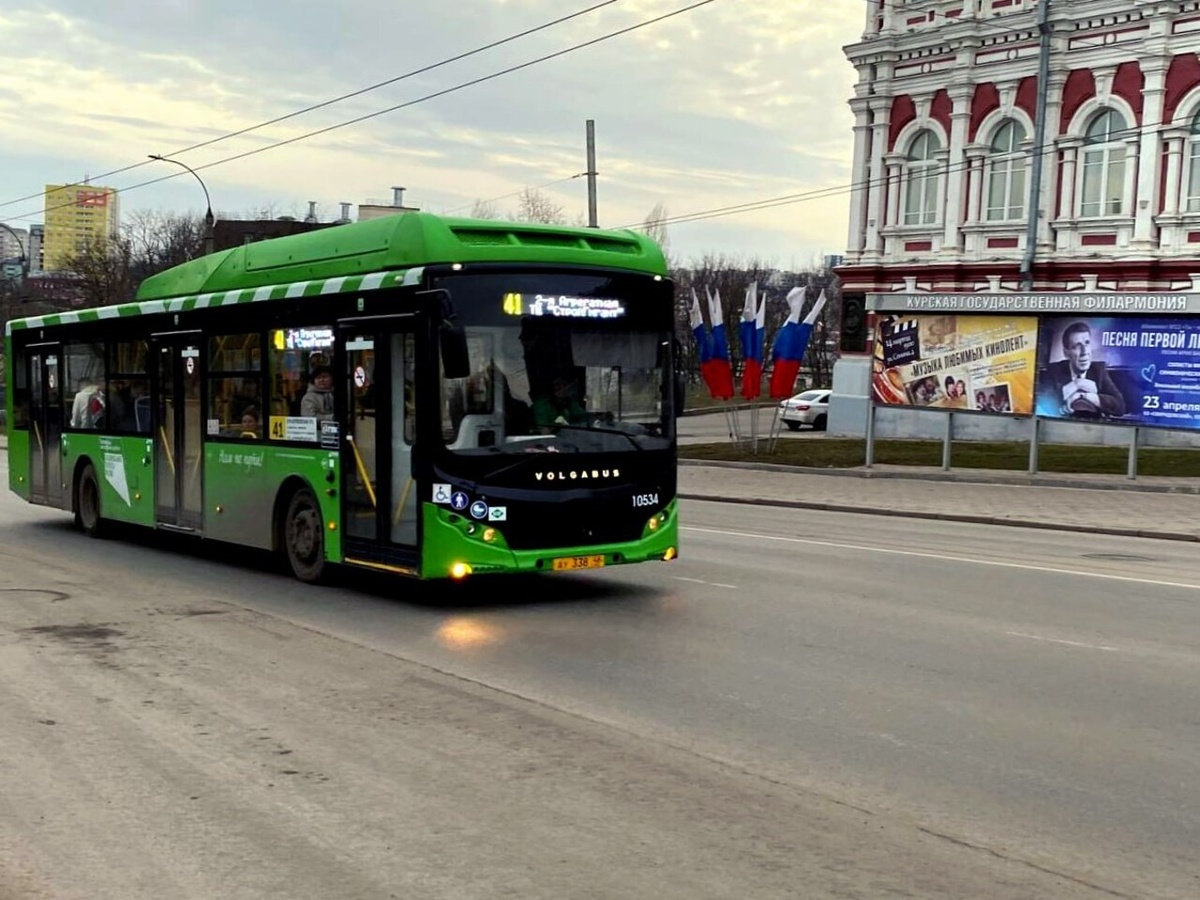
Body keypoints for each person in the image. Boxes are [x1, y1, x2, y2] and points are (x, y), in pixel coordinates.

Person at [1040, 322, 1126, 418]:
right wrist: (1075, 384)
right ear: (1066, 353)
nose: (1084, 352)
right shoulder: (1054, 370)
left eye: (1087, 343)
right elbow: (1043, 405)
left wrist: (1083, 396)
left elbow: (1120, 406)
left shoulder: (1099, 369)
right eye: (1077, 346)